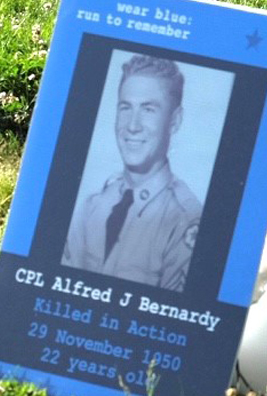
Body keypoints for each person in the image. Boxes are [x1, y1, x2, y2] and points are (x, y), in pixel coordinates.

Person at [62, 55, 202, 289]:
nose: (133, 125)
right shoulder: (92, 205)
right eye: (125, 108)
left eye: (148, 109)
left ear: (175, 121)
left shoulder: (186, 219)